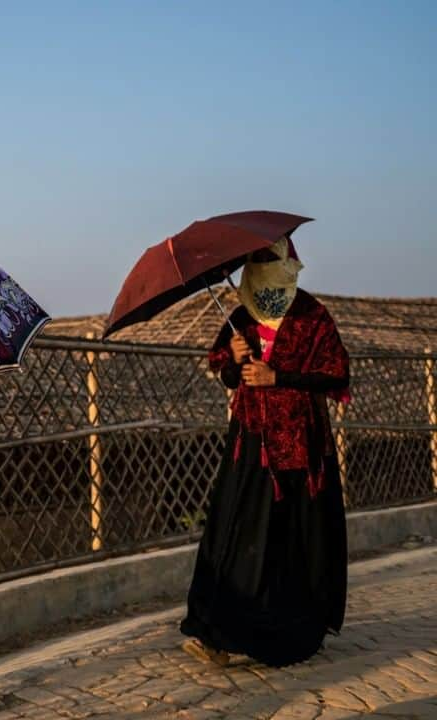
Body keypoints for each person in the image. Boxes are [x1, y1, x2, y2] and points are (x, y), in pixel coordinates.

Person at [180, 236, 350, 667]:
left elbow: (334, 375)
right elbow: (229, 379)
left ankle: (293, 631)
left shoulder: (313, 317)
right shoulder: (241, 317)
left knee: (293, 539)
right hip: (251, 443)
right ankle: (215, 632)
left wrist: (279, 377)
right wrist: (235, 361)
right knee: (236, 533)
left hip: (300, 448)